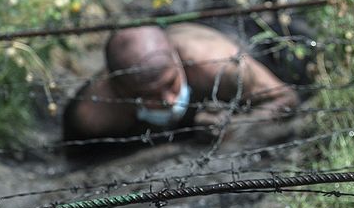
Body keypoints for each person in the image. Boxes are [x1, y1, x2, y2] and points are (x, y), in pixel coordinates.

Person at [63, 23, 299, 147]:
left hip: (234, 34)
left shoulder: (217, 62)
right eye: (149, 95)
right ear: (119, 89)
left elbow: (285, 98)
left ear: (178, 62)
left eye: (170, 83)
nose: (168, 100)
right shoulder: (94, 113)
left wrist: (236, 124)